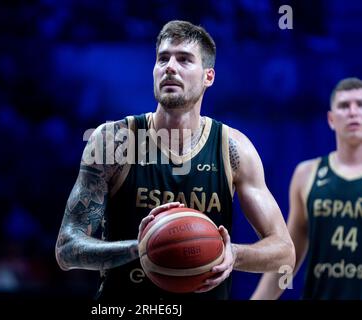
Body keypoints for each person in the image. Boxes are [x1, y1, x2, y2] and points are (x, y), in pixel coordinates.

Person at [55, 20, 294, 301]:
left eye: (184, 60)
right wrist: (141, 248)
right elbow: (67, 249)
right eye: (162, 58)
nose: (170, 66)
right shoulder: (114, 140)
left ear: (209, 76)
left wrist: (234, 254)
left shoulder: (234, 148)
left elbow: (284, 250)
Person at [251, 77, 362, 300]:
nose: (353, 112)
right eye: (343, 106)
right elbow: (287, 261)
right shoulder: (306, 174)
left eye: (360, 105)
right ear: (331, 119)